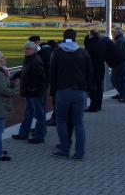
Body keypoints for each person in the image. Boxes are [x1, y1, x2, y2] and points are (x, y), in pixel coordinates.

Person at [49, 29, 92, 160]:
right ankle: (79, 152)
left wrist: (53, 92)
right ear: (75, 37)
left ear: (63, 37)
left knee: (61, 121)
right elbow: (90, 72)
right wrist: (86, 88)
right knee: (79, 123)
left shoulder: (57, 53)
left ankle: (64, 149)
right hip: (79, 91)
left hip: (63, 91)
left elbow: (52, 74)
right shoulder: (83, 52)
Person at [13, 42, 47, 144]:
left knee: (38, 114)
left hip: (34, 93)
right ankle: (23, 133)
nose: (25, 50)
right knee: (28, 113)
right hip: (30, 92)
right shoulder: (29, 59)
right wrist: (16, 75)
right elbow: (25, 72)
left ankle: (39, 136)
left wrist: (32, 87)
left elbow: (40, 77)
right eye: (25, 48)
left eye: (28, 49)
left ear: (34, 50)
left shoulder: (35, 61)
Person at [84, 29, 107, 112]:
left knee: (93, 87)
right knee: (99, 87)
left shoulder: (91, 45)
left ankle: (93, 106)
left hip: (93, 68)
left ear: (92, 35)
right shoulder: (102, 43)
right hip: (101, 67)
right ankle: (98, 105)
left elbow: (87, 57)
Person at [109, 27, 125, 103]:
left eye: (114, 32)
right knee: (122, 80)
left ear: (117, 33)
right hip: (124, 61)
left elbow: (116, 53)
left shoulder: (119, 41)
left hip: (120, 63)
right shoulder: (123, 39)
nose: (113, 33)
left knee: (115, 80)